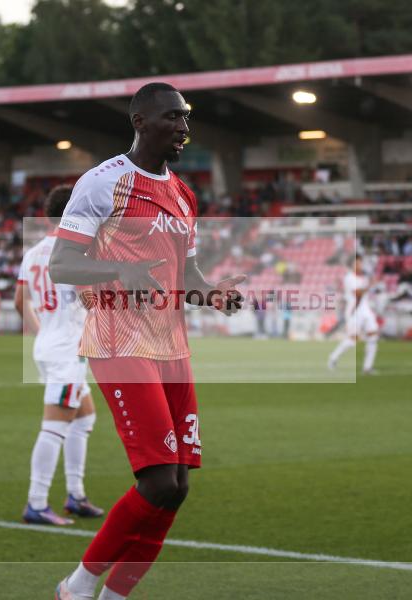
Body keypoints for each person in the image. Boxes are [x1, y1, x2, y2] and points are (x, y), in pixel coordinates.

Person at [49, 82, 245, 600]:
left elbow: (189, 275)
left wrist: (212, 294)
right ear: (140, 121)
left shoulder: (183, 193)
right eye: (173, 117)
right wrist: (122, 270)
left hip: (172, 347)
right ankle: (77, 587)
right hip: (119, 341)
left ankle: (114, 597)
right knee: (157, 482)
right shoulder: (101, 183)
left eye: (186, 118)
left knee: (176, 489)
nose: (183, 127)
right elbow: (62, 264)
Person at [16, 185, 105, 527]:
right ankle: (36, 503)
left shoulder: (34, 252)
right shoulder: (76, 251)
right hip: (68, 350)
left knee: (83, 419)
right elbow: (89, 300)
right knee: (54, 426)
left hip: (51, 345)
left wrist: (43, 332)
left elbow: (18, 301)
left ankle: (76, 495)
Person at [327, 254, 379, 374]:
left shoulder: (364, 277)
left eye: (360, 262)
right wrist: (371, 284)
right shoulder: (349, 278)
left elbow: (372, 289)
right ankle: (333, 357)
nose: (359, 265)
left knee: (373, 336)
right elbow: (358, 293)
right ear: (351, 265)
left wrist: (373, 283)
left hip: (366, 309)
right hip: (354, 311)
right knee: (352, 341)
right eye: (356, 263)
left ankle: (367, 367)